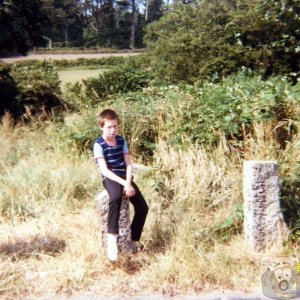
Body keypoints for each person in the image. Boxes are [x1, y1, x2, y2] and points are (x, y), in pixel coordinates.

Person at [93, 109, 148, 261]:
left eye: (115, 126)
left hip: (125, 176)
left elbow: (129, 164)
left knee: (143, 207)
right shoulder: (99, 144)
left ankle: (134, 240)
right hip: (110, 177)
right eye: (109, 127)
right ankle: (112, 242)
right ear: (101, 127)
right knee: (116, 197)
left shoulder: (121, 141)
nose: (113, 130)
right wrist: (124, 184)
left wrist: (128, 183)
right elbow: (104, 170)